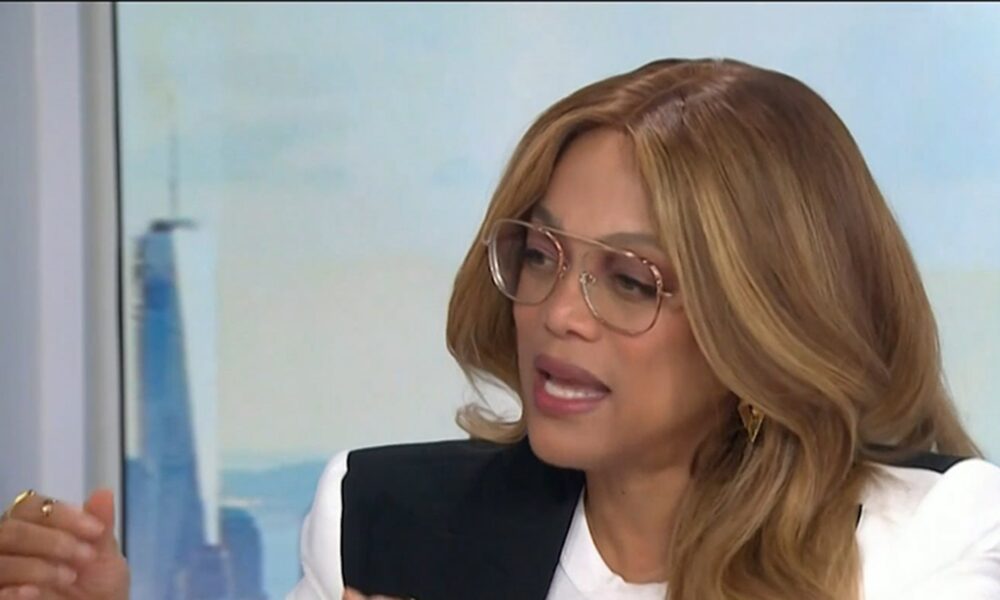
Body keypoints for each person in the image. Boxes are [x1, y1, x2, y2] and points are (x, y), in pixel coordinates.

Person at [1, 58, 998, 600]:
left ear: (765, 320)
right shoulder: (382, 524)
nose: (557, 312)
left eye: (630, 279)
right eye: (542, 254)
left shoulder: (931, 540)